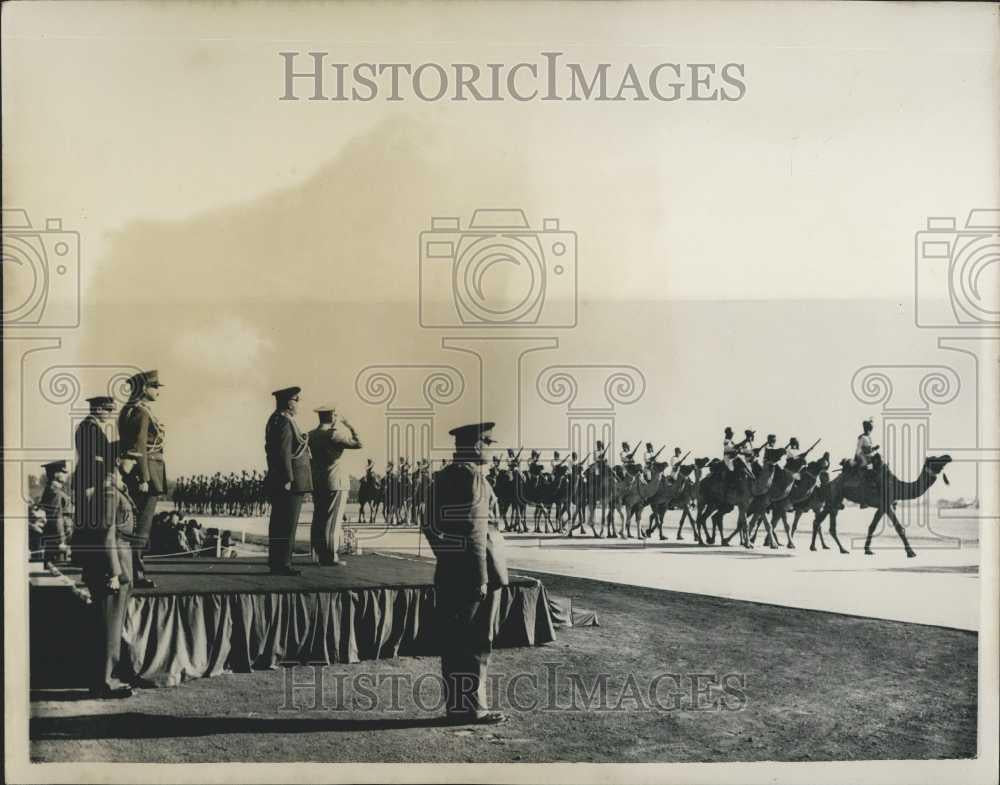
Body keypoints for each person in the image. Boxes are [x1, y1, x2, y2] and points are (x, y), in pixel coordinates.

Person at [424, 421, 509, 725]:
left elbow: (430, 526)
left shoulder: (444, 476)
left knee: (455, 642)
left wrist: (449, 560)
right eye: (488, 441)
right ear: (475, 446)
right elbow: (475, 532)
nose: (491, 446)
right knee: (474, 643)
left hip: (451, 571)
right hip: (475, 573)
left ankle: (458, 708)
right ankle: (473, 709)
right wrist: (479, 577)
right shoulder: (474, 479)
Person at [75, 450, 140, 699]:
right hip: (112, 564)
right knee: (109, 628)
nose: (134, 463)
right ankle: (105, 682)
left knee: (111, 625)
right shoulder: (109, 492)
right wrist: (114, 571)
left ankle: (105, 678)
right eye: (130, 458)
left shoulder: (114, 489)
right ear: (116, 461)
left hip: (120, 558)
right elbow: (106, 534)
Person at [117, 370, 166, 589]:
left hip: (137, 472)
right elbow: (138, 446)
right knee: (141, 529)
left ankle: (131, 570)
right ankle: (136, 574)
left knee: (133, 527)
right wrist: (145, 477)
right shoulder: (142, 412)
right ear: (144, 389)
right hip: (147, 473)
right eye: (154, 387)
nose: (157, 391)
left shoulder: (129, 410)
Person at [264, 386, 312, 575]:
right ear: (288, 403)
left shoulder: (278, 419)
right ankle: (282, 564)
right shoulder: (284, 422)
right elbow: (283, 452)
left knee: (280, 523)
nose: (298, 404)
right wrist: (287, 478)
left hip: (285, 479)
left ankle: (278, 562)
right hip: (290, 481)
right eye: (296, 400)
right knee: (286, 524)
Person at [308, 404, 362, 566]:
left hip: (318, 482)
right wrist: (349, 425)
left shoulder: (311, 434)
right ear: (332, 416)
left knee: (318, 519)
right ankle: (330, 557)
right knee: (333, 522)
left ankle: (317, 555)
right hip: (336, 482)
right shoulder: (334, 435)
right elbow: (359, 443)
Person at [40, 460, 73, 566]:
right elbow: (56, 517)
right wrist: (60, 541)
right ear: (55, 474)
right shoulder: (55, 492)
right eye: (63, 472)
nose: (65, 475)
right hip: (56, 545)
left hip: (54, 542)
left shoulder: (53, 490)